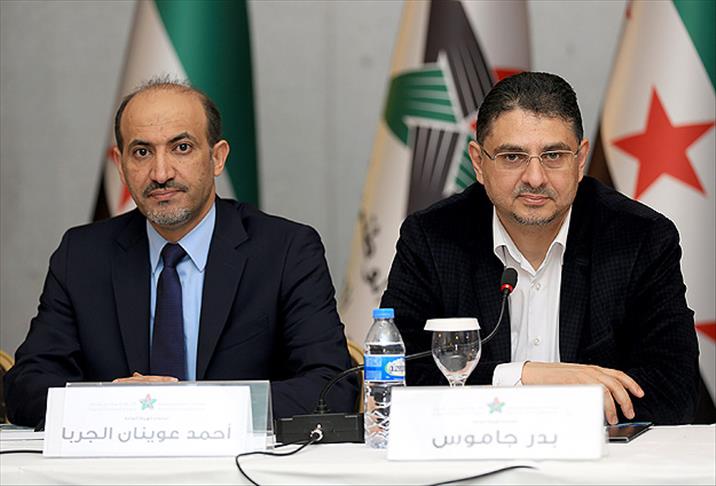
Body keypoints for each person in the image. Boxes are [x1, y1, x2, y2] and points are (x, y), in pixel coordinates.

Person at [4, 79, 356, 427]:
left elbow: (331, 387)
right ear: (120, 165)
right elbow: (25, 387)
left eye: (182, 148)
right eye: (142, 152)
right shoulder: (82, 255)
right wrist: (112, 404)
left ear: (217, 158)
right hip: (118, 458)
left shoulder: (285, 250)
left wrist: (192, 408)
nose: (161, 173)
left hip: (239, 461)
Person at [381, 72, 699, 425]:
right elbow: (395, 377)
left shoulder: (640, 238)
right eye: (512, 157)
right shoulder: (433, 238)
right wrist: (526, 376)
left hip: (597, 455)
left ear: (580, 160)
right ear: (479, 163)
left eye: (553, 155)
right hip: (473, 449)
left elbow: (675, 389)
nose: (535, 178)